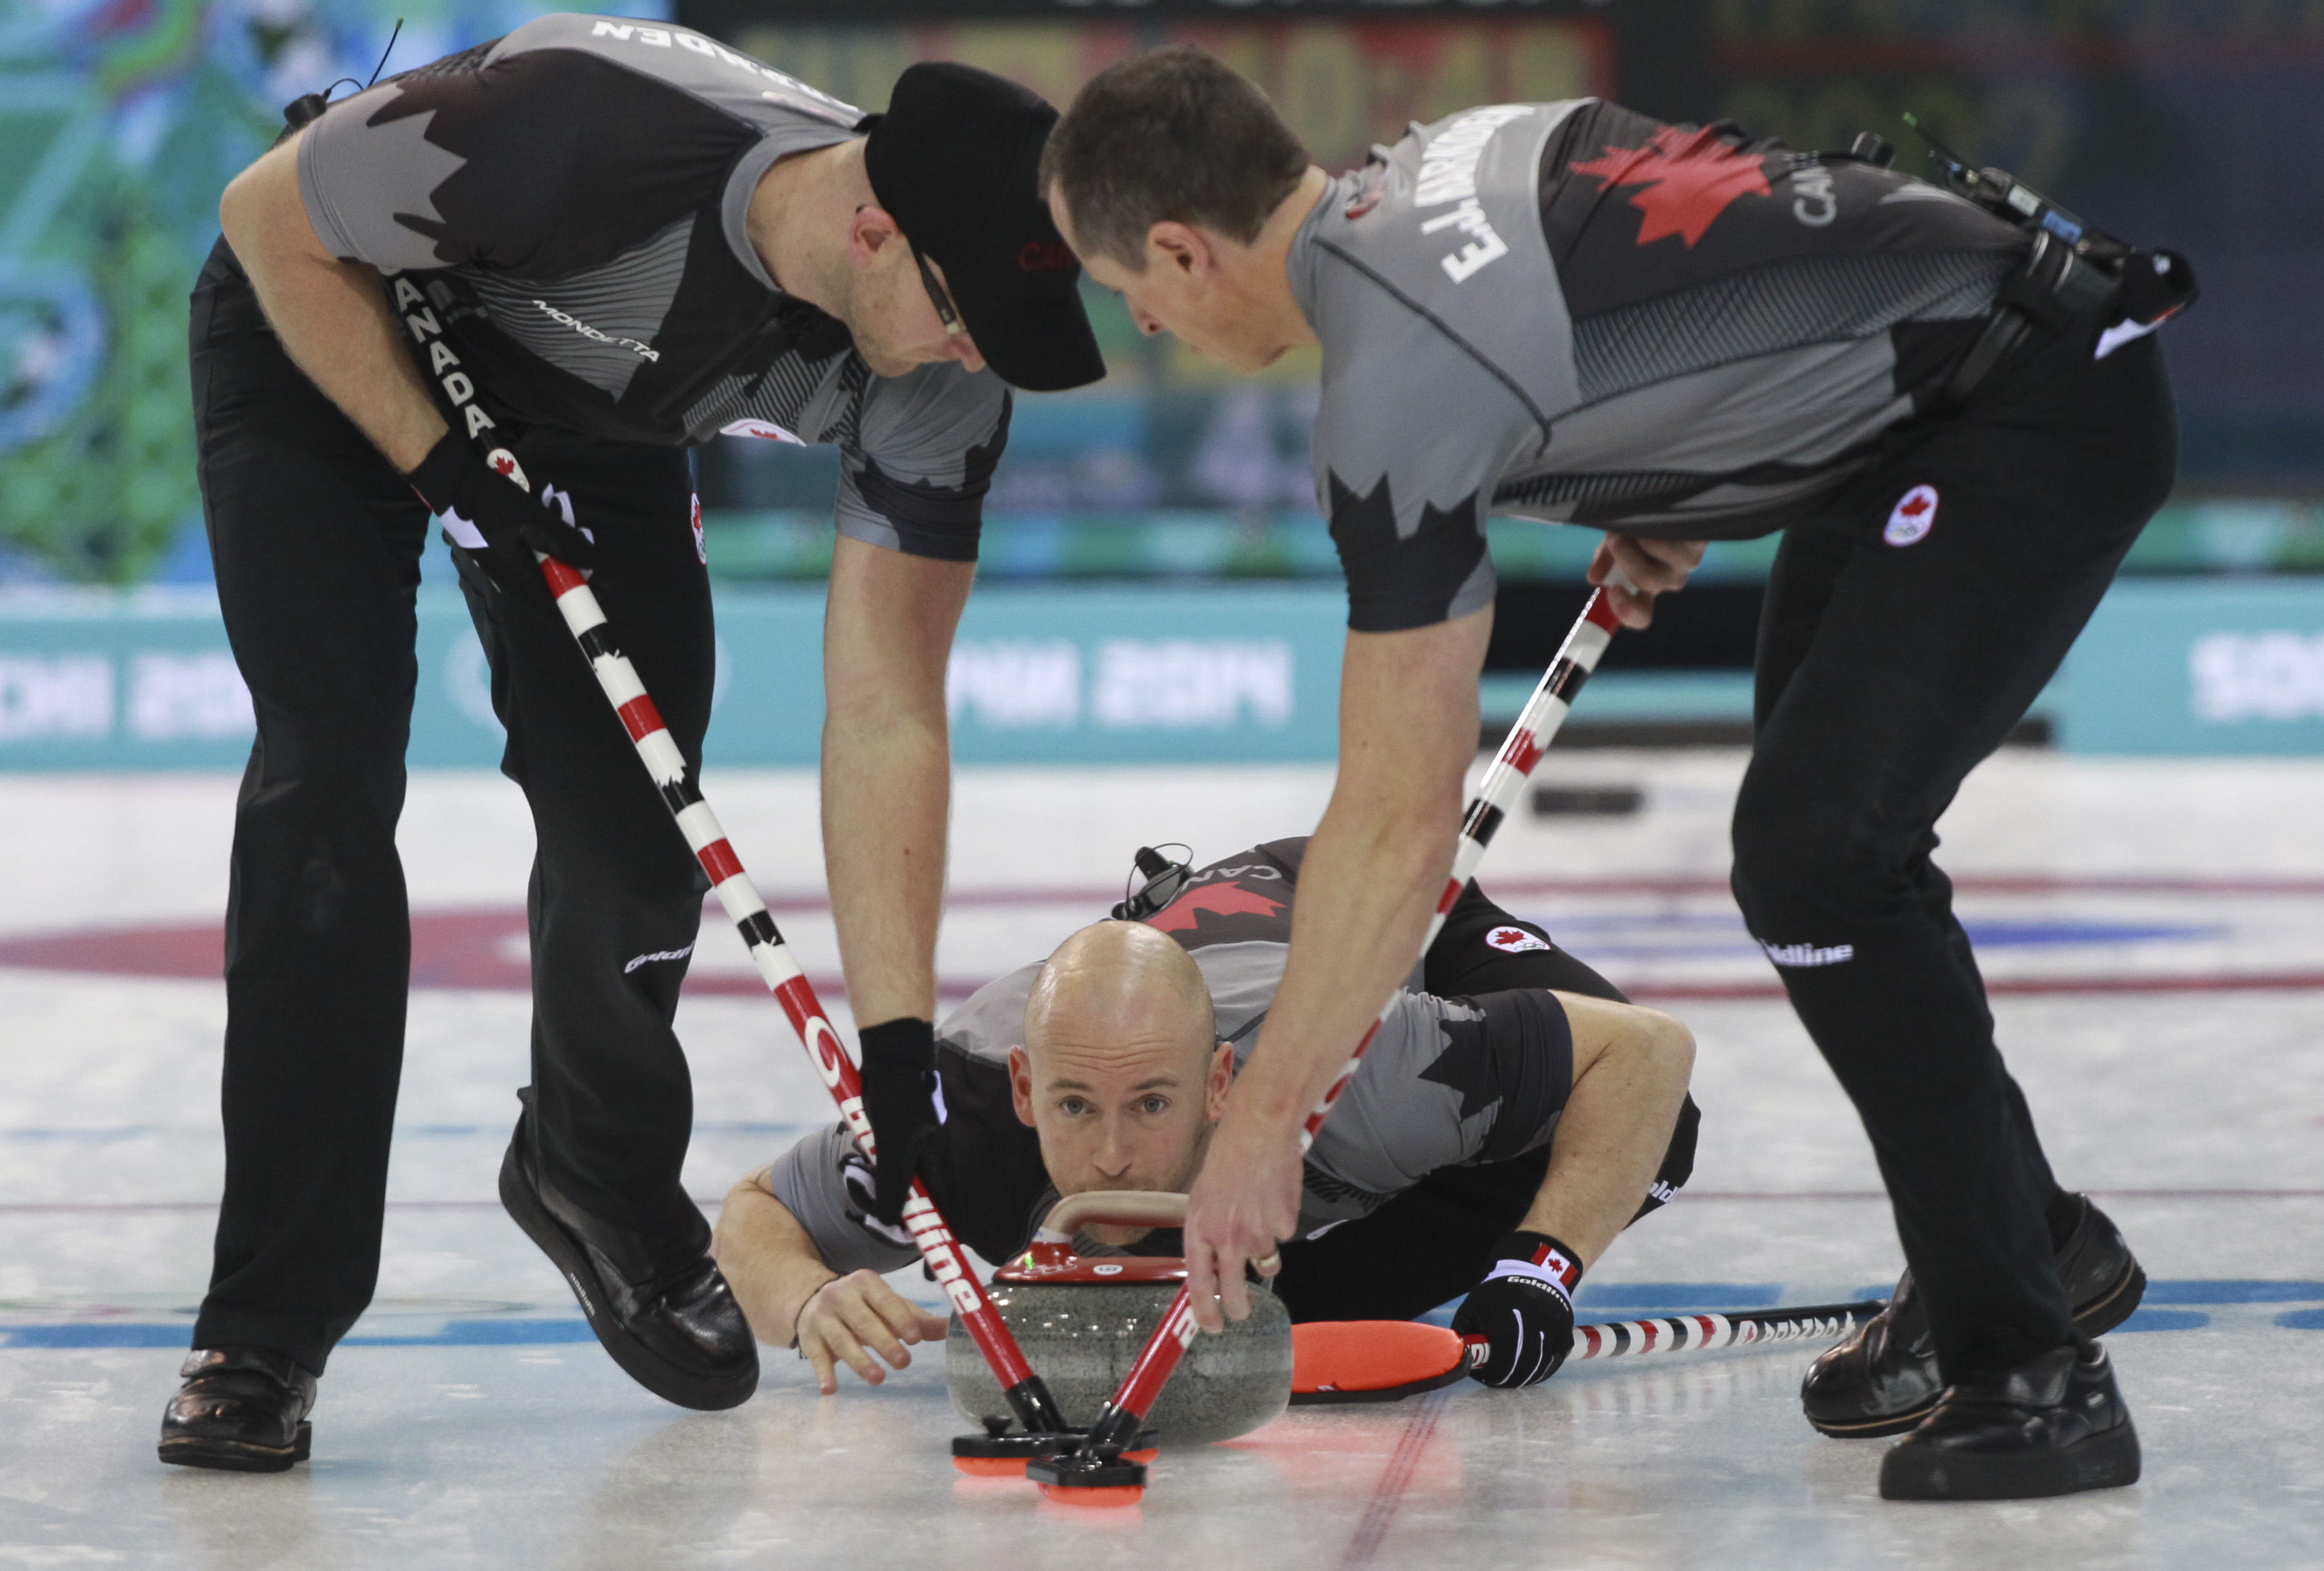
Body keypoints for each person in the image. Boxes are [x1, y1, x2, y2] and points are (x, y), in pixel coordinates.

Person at [1029, 50, 2171, 1500]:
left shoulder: (1389, 396)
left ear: (1183, 249)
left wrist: (1261, 1127)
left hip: (2023, 404)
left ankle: (2033, 1367)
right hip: (1933, 395)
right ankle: (2028, 1246)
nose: (1138, 317)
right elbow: (1690, 214)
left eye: (1126, 284)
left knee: (1826, 863)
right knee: (1829, 862)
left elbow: (1393, 819)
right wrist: (1672, 464)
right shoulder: (1440, 156)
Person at [162, 15, 1102, 1472]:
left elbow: (887, 704)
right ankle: (264, 1326)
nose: (971, 355)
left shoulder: (943, 380)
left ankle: (588, 1169)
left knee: (640, 840)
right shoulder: (580, 126)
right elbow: (266, 214)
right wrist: (437, 461)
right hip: (327, 325)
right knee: (327, 792)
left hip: (591, 415)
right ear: (871, 228)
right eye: (960, 312)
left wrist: (901, 1051)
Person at [712, 838, 1697, 1394]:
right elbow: (756, 1213)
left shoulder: (1358, 1072)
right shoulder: (953, 1127)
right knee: (1224, 1299)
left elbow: (1647, 1054)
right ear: (1021, 1089)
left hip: (1382, 913)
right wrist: (804, 1298)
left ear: (1222, 1084)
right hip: (1197, 957)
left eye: (1150, 1105)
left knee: (1659, 1139)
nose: (1107, 1156)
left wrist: (1544, 1265)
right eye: (1071, 1105)